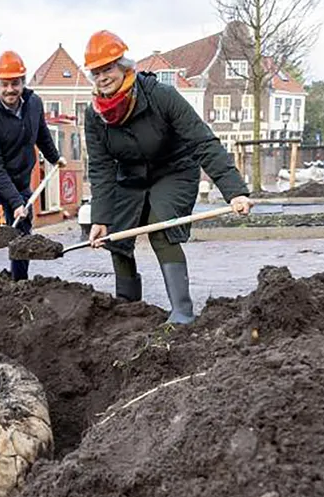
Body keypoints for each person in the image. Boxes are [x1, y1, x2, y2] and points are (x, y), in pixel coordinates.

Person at [83, 30, 252, 324]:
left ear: (123, 66)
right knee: (116, 236)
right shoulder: (94, 115)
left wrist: (234, 190)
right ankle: (127, 310)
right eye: (96, 72)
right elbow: (101, 168)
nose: (103, 77)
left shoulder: (160, 96)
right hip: (130, 178)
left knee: (161, 227)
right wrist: (100, 217)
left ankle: (182, 313)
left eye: (108, 68)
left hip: (174, 170)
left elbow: (203, 142)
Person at [0, 50, 66, 280]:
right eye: (4, 84)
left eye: (15, 83)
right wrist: (15, 202)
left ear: (23, 83)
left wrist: (55, 157)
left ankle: (20, 280)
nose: (10, 89)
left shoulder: (34, 104)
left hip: (19, 176)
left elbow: (41, 134)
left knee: (23, 223)